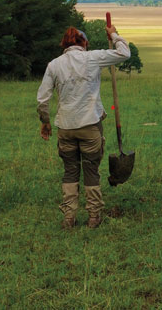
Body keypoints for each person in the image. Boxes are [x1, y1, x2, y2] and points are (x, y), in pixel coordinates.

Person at [37, 24, 130, 229]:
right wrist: (113, 34)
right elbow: (125, 52)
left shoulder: (54, 65)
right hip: (90, 126)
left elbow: (43, 100)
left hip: (65, 127)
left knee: (70, 171)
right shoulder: (92, 57)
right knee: (91, 170)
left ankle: (69, 218)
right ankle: (94, 217)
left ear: (64, 44)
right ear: (84, 43)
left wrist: (45, 122)